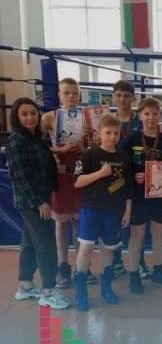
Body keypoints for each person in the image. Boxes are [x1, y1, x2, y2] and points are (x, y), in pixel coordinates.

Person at [7, 97, 71, 309]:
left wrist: (58, 151)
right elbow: (20, 176)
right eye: (24, 114)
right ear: (16, 117)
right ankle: (48, 291)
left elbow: (39, 157)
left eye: (33, 113)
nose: (30, 118)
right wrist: (39, 202)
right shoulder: (16, 140)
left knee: (29, 241)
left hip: (40, 197)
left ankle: (25, 285)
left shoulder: (33, 138)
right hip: (33, 201)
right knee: (46, 243)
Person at [72, 115, 133, 310]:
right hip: (91, 209)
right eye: (108, 133)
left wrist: (127, 211)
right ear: (99, 133)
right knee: (86, 248)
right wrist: (99, 174)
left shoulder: (123, 158)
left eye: (116, 133)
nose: (112, 137)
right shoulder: (89, 154)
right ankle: (81, 292)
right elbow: (77, 181)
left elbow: (128, 187)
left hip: (113, 211)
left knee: (108, 249)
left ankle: (106, 288)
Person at [41, 78, 95, 288]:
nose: (71, 96)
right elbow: (36, 145)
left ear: (79, 94)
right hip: (61, 176)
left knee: (80, 223)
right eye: (67, 92)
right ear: (59, 95)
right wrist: (58, 150)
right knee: (61, 223)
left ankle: (82, 266)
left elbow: (99, 146)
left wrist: (88, 147)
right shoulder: (50, 117)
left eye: (75, 92)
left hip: (82, 177)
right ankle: (62, 266)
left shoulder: (88, 117)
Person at [124, 98, 162, 294]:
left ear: (160, 116)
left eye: (155, 114)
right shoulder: (131, 140)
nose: (151, 118)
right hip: (138, 195)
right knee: (137, 234)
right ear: (140, 116)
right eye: (146, 114)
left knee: (158, 232)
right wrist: (134, 175)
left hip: (160, 194)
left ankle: (158, 270)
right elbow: (123, 168)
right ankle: (133, 274)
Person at [110, 80, 151, 280]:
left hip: (136, 178)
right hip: (112, 176)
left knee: (137, 223)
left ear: (133, 98)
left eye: (126, 95)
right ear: (113, 97)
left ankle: (139, 261)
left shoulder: (140, 121)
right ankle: (116, 262)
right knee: (114, 221)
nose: (122, 99)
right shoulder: (107, 120)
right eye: (118, 95)